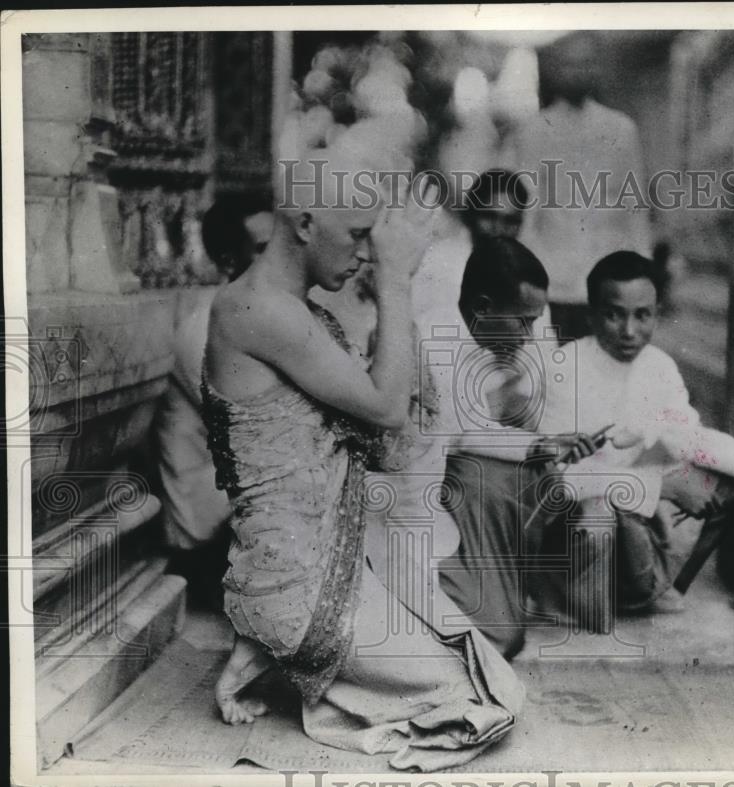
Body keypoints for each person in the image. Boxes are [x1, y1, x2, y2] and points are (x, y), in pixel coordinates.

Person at [201, 121, 521, 770]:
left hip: (333, 558)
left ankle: (269, 654)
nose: (365, 257)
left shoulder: (306, 312)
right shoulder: (259, 311)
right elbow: (383, 406)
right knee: (471, 703)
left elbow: (385, 438)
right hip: (296, 581)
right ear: (306, 223)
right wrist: (398, 285)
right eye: (356, 236)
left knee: (486, 665)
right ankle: (276, 647)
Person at [535, 251, 734, 627]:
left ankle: (668, 588)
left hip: (628, 505)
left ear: (657, 314)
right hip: (579, 520)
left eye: (642, 315)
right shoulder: (562, 369)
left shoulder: (658, 366)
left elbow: (686, 436)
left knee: (723, 482)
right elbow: (557, 482)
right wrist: (662, 488)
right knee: (599, 513)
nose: (629, 331)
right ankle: (584, 597)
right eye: (614, 314)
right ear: (592, 314)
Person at [430, 236, 605, 658]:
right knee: (501, 638)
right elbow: (462, 435)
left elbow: (476, 429)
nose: (529, 336)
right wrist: (542, 446)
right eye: (523, 322)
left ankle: (512, 587)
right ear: (484, 307)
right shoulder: (435, 345)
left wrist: (548, 445)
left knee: (539, 475)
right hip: (421, 504)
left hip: (464, 491)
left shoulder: (487, 341)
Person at [156, 192, 272, 607]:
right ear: (226, 261)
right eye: (261, 250)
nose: (277, 261)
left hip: (241, 520)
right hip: (208, 542)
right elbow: (262, 432)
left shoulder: (254, 319)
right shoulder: (203, 329)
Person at [500, 31, 652, 343]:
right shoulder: (533, 131)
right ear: (554, 70)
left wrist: (643, 273)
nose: (578, 72)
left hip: (609, 280)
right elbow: (525, 210)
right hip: (554, 280)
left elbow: (635, 208)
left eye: (586, 64)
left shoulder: (621, 129)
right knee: (560, 374)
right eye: (569, 64)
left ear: (598, 68)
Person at [412, 168, 553, 342]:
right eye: (489, 217)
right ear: (470, 214)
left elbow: (544, 346)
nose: (498, 230)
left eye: (510, 221)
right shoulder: (435, 261)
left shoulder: (526, 272)